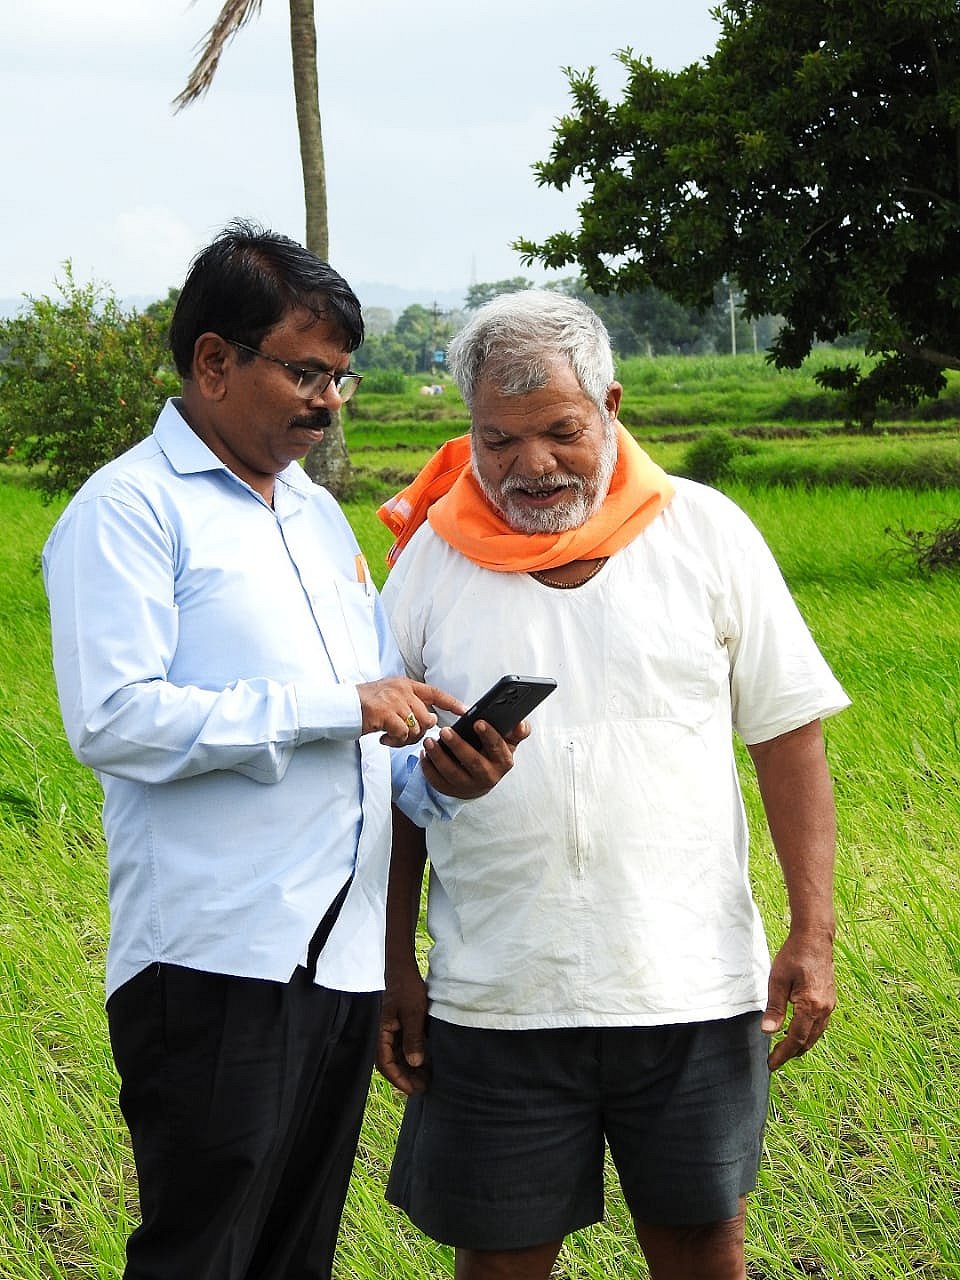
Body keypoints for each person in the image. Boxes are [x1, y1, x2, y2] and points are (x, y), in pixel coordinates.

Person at [41, 221, 521, 1280]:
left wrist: (443, 778)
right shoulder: (128, 510)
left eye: (341, 378)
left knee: (294, 1256)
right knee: (202, 1254)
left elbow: (367, 737)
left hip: (338, 958)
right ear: (215, 361)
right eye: (305, 373)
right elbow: (113, 717)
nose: (328, 402)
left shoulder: (314, 517)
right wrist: (335, 706)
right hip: (215, 960)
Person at [374, 290, 850, 1280]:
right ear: (469, 429)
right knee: (500, 1258)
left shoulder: (706, 533)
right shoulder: (430, 564)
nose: (531, 465)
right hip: (497, 991)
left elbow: (787, 734)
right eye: (498, 440)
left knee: (702, 1244)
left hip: (689, 985)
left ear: (611, 405)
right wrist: (393, 963)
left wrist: (813, 932)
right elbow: (381, 783)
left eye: (561, 431)